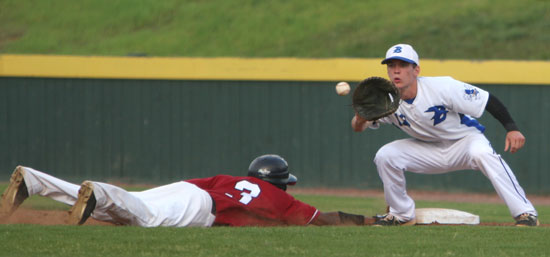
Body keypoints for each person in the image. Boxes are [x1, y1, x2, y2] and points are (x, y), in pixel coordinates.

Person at [352, 44, 539, 227]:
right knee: (386, 156)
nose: (396, 71)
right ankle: (401, 215)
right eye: (391, 66)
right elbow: (358, 127)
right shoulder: (386, 100)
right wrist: (360, 118)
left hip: (464, 142)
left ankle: (526, 213)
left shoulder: (441, 87)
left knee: (483, 154)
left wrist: (512, 128)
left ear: (416, 70)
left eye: (402, 65)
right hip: (427, 149)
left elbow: (488, 100)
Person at [0, 154, 370, 227]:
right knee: (142, 218)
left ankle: (34, 179)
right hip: (201, 207)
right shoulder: (283, 201)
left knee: (129, 209)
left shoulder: (231, 178)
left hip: (187, 188)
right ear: (281, 182)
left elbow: (193, 185)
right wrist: (369, 220)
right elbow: (325, 219)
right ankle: (97, 190)